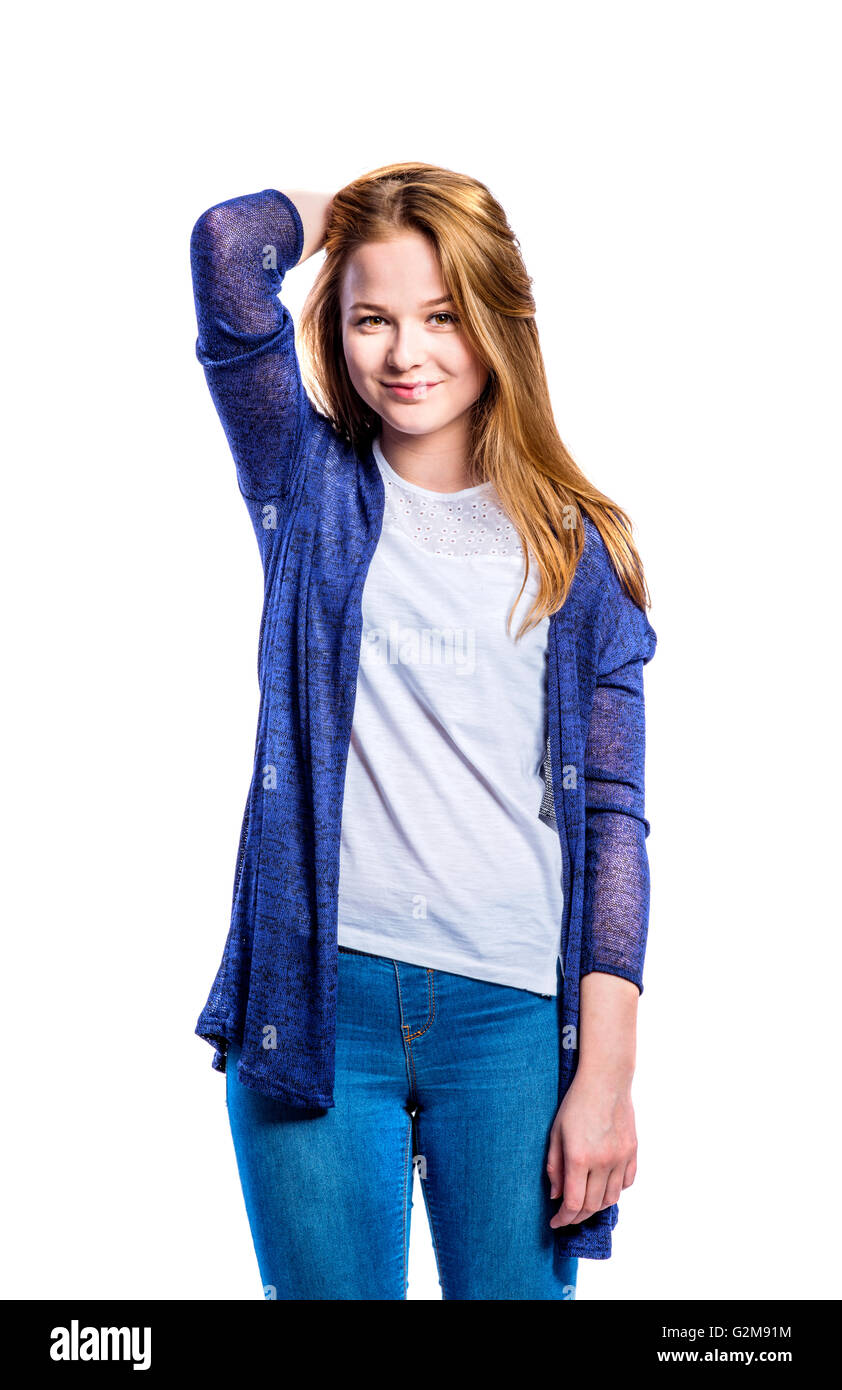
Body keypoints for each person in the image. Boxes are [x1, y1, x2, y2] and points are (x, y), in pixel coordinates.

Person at [189, 162, 657, 1300]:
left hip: (507, 1022)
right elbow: (224, 256)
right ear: (337, 330)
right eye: (371, 317)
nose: (406, 353)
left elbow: (611, 827)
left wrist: (603, 1075)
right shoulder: (308, 488)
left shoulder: (576, 548)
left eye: (441, 314)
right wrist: (346, 211)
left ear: (494, 319)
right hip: (313, 1007)